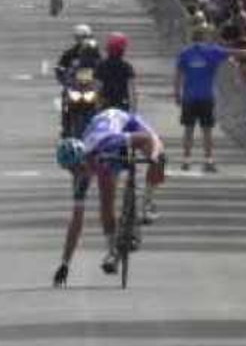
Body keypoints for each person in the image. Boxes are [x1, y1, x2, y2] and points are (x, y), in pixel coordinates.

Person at [53, 108, 166, 286]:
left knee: (160, 153)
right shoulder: (80, 177)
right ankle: (112, 251)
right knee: (106, 198)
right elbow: (76, 222)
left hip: (125, 125)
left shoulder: (106, 143)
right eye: (74, 171)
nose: (80, 172)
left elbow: (148, 138)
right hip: (102, 155)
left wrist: (153, 157)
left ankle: (148, 202)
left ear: (84, 157)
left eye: (80, 167)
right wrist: (65, 264)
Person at [174, 24, 246, 173]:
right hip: (206, 96)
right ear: (205, 38)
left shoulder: (185, 53)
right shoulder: (212, 51)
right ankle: (208, 160)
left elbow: (179, 74)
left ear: (192, 38)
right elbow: (237, 53)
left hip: (189, 97)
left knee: (188, 129)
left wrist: (176, 93)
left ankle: (186, 159)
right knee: (207, 130)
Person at [95, 32, 137, 111]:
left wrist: (96, 107)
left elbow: (97, 88)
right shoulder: (126, 66)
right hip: (123, 106)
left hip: (105, 106)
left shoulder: (101, 66)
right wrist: (133, 111)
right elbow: (131, 90)